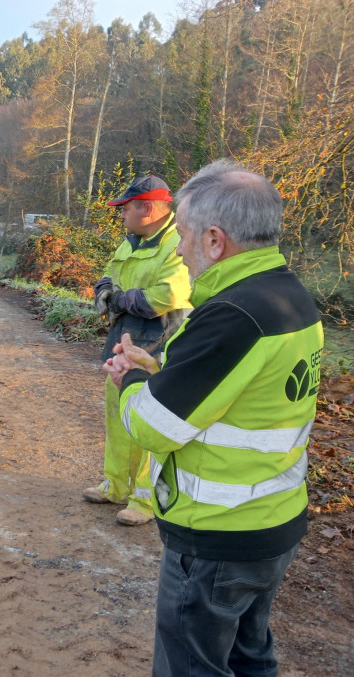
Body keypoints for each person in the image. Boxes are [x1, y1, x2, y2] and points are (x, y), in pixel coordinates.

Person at [103, 159, 322, 676]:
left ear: (216, 241)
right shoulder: (290, 297)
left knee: (193, 666)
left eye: (183, 235)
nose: (178, 248)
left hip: (217, 538)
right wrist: (159, 368)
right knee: (250, 657)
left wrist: (132, 380)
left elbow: (154, 426)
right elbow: (239, 394)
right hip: (274, 523)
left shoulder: (232, 315)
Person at [85, 175, 192, 526]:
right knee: (118, 416)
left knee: (149, 423)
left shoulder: (177, 241)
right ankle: (115, 484)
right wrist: (105, 291)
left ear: (147, 208)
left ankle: (145, 501)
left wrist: (118, 299)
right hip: (123, 341)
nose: (122, 216)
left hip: (158, 348)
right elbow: (109, 275)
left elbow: (166, 297)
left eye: (126, 209)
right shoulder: (132, 241)